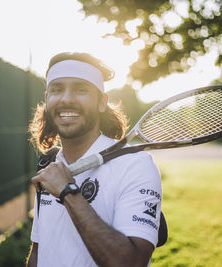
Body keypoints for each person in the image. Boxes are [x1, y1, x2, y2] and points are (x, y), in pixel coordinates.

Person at [27, 52, 162, 267]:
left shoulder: (136, 165)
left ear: (102, 102)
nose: (66, 99)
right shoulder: (49, 166)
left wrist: (67, 192)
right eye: (57, 89)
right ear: (47, 100)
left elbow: (132, 262)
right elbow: (39, 251)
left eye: (81, 89)